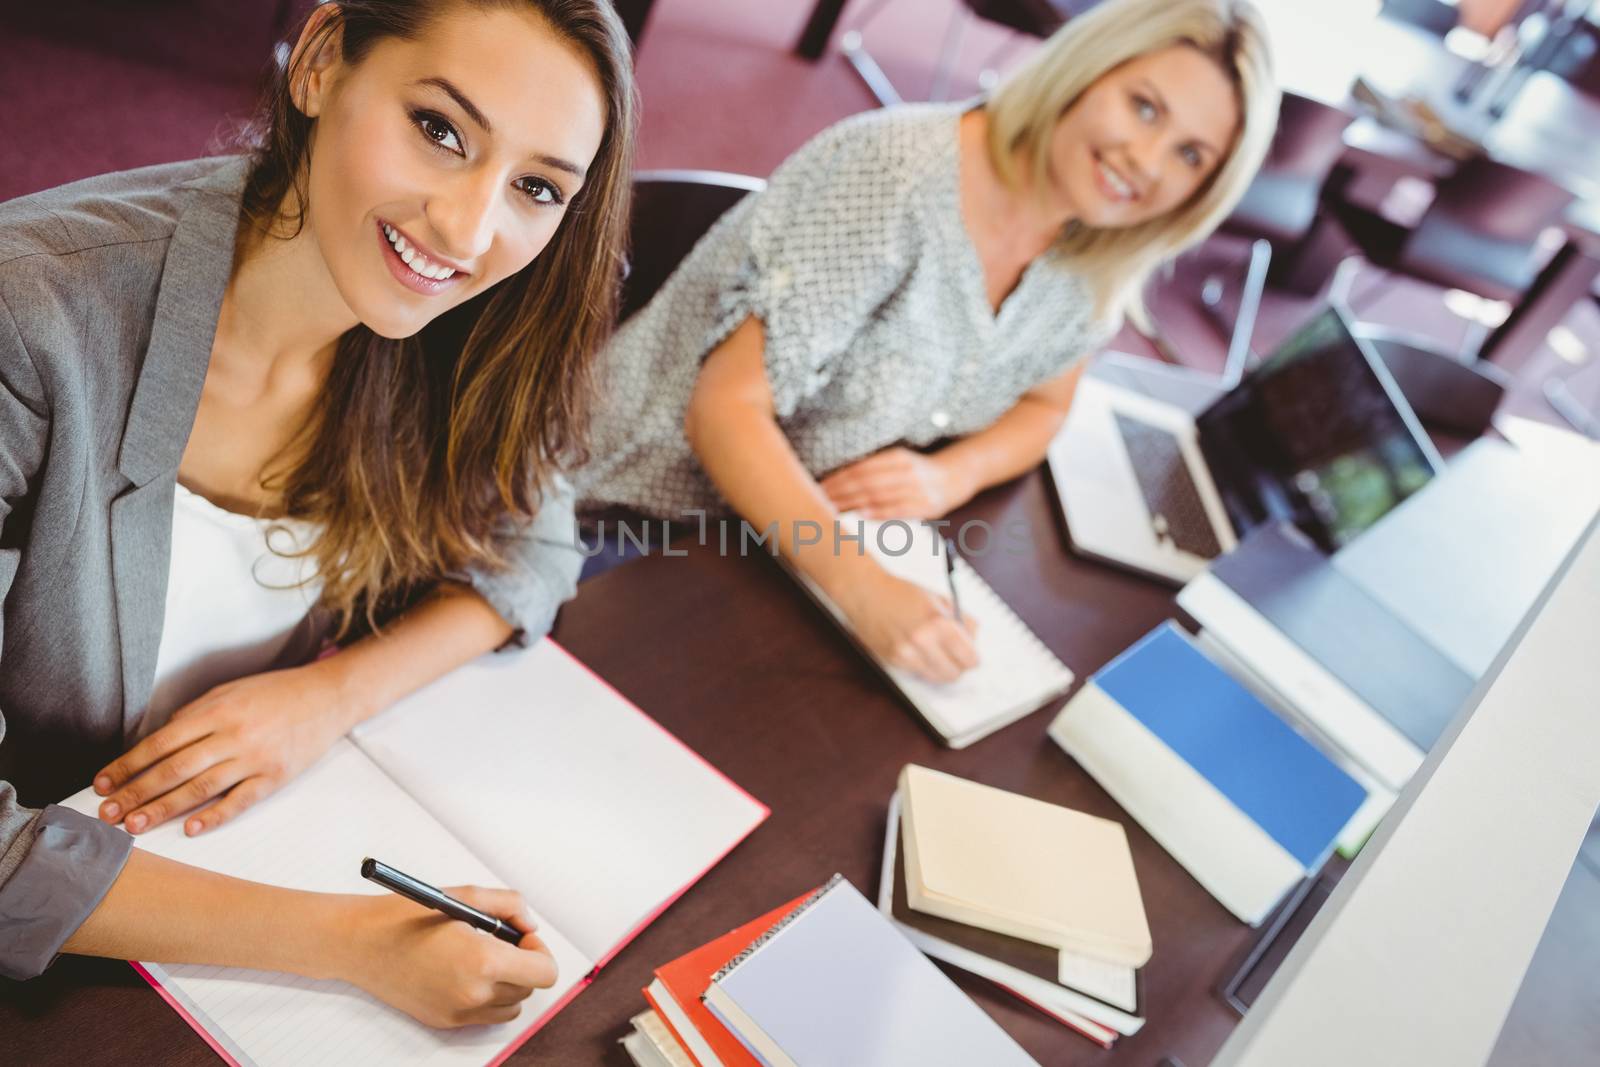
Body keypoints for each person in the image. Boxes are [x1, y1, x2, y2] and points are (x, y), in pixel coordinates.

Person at [0, 0, 635, 1027]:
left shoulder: (465, 319)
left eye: (535, 186)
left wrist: (327, 696)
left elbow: (540, 538)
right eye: (439, 130)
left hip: (227, 849)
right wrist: (349, 942)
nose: (470, 230)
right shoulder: (29, 320)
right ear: (325, 62)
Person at [575, 0, 1278, 684]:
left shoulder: (1092, 263)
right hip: (624, 514)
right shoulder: (898, 173)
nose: (1148, 161)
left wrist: (952, 474)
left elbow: (1043, 407)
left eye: (1190, 154)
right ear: (1087, 70)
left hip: (778, 545)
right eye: (1144, 106)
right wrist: (862, 587)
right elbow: (724, 409)